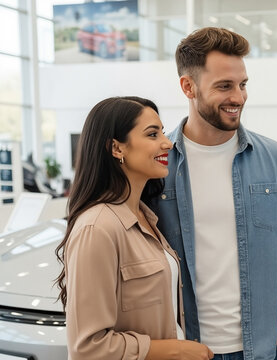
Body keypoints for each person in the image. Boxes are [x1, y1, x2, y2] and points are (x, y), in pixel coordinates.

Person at [148, 28, 277, 360]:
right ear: (188, 87)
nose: (238, 97)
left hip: (260, 346)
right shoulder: (159, 162)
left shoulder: (273, 158)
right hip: (185, 346)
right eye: (224, 86)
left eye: (242, 84)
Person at [55, 96, 214, 360]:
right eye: (153, 134)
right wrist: (176, 349)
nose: (167, 142)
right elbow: (87, 348)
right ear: (117, 148)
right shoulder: (98, 228)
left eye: (163, 132)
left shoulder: (145, 216)